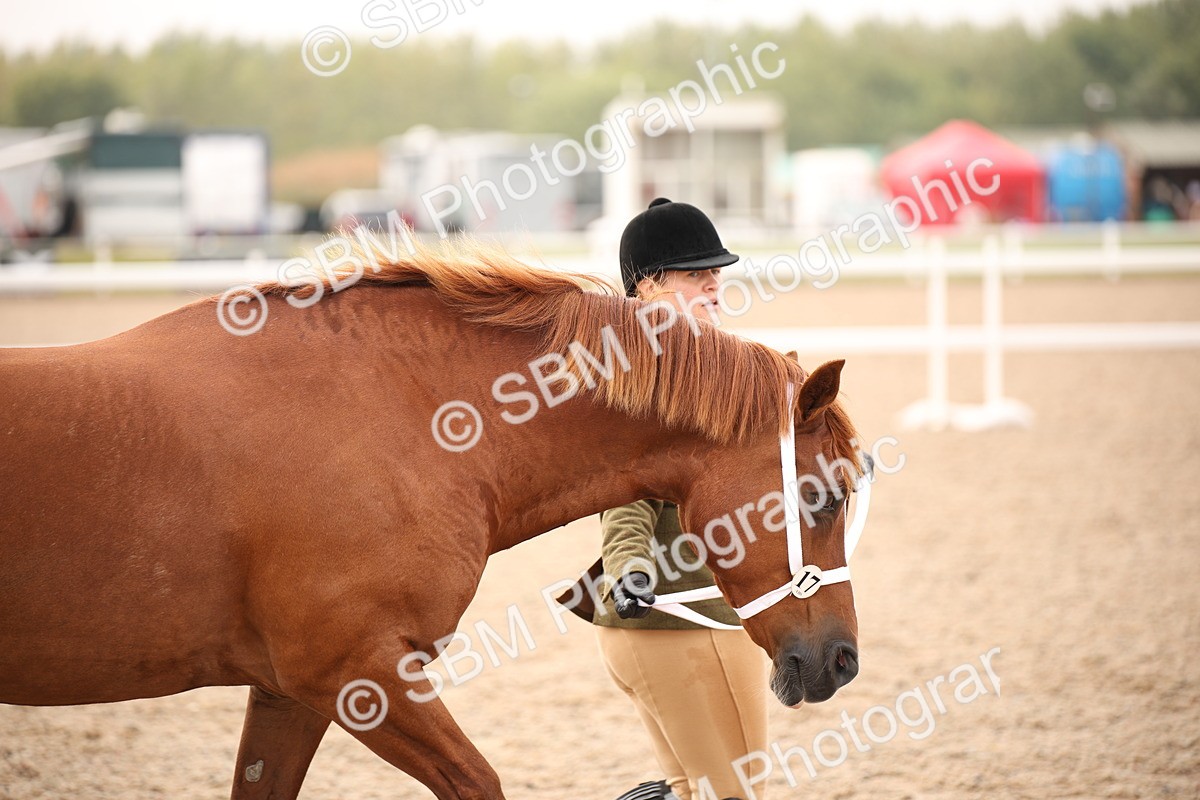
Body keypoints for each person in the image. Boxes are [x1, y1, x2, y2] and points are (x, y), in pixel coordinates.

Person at [561, 198, 770, 800]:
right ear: (648, 287)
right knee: (735, 796)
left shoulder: (709, 366)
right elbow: (627, 497)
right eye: (694, 272)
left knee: (695, 791)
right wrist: (629, 565)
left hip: (672, 624)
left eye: (717, 271)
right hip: (680, 617)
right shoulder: (652, 381)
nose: (714, 282)